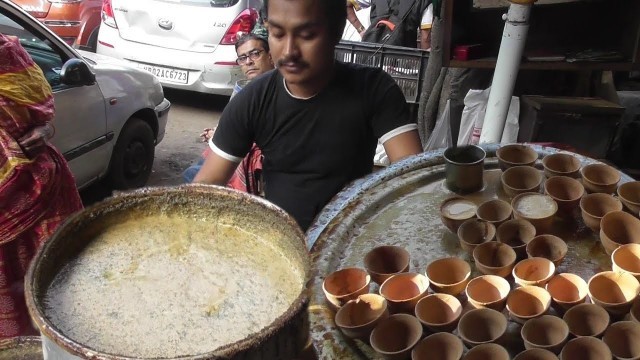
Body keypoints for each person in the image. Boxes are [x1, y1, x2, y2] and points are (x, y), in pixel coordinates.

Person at [193, 0, 423, 231]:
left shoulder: (373, 89)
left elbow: (414, 181)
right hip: (281, 245)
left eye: (307, 35)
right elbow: (203, 191)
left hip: (347, 243)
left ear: (336, 31)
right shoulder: (253, 100)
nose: (290, 51)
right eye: (278, 34)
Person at [0, 34, 83, 337]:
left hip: (45, 195)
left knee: (61, 297)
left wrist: (45, 130)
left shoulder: (9, 52)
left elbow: (41, 112)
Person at [183, 33, 274, 195]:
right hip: (237, 145)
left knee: (196, 179)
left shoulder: (276, 88)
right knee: (194, 172)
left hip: (254, 153)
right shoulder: (245, 88)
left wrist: (223, 136)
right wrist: (217, 132)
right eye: (243, 58)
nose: (249, 62)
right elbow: (235, 121)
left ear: (270, 56)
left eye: (255, 54)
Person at [346, 0, 432, 49]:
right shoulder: (425, 2)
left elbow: (347, 4)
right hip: (404, 57)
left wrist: (361, 30)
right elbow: (425, 38)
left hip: (372, 52)